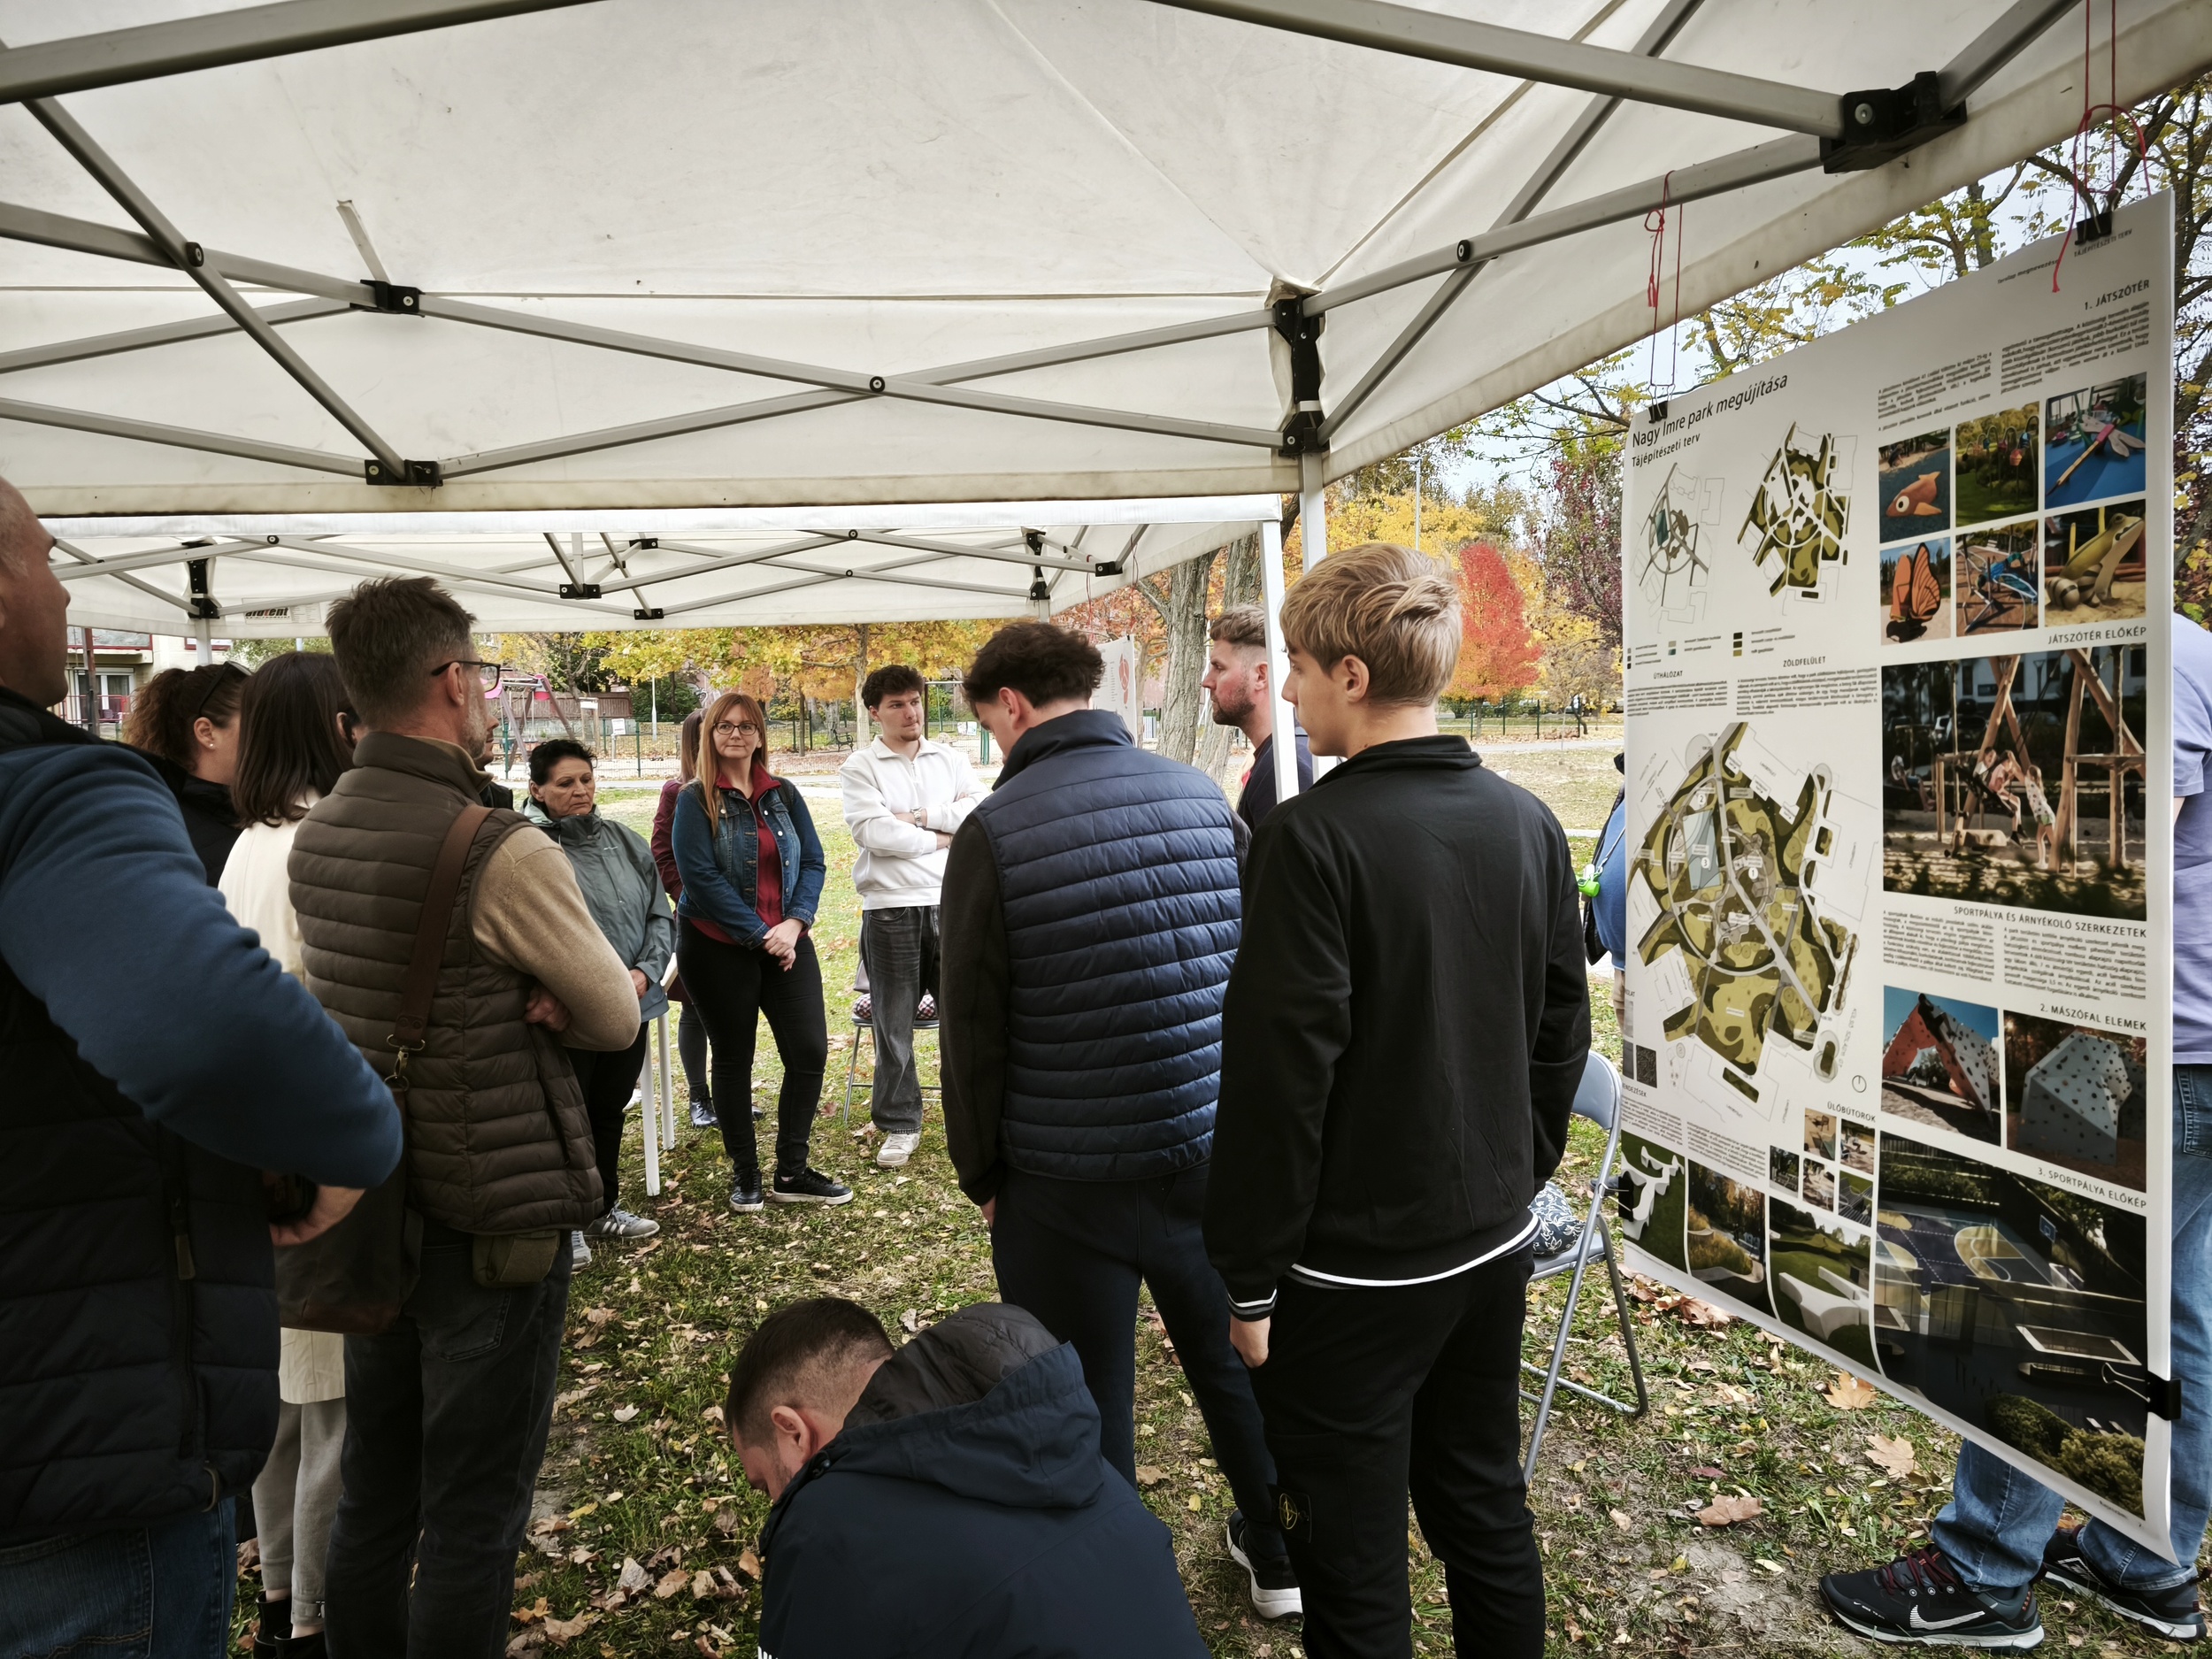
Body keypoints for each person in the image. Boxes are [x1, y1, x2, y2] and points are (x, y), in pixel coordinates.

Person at [0, 477, 399, 1655]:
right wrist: (351, 1139)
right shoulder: (49, 786)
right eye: (45, 557)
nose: (66, 589)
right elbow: (208, 1028)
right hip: (72, 1467)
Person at [1204, 542, 1591, 1659]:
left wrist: (1248, 1278)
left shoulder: (1309, 840)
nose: (1286, 691)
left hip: (1355, 1275)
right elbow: (1560, 1032)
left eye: (1298, 668)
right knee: (1482, 1504)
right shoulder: (1524, 820)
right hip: (1487, 1242)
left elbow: (1278, 1084)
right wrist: (1513, 1171)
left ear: (1354, 676)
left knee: (1351, 1552)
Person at [1818, 617, 2212, 1649]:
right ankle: (2149, 1563)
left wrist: (2003, 822)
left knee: (2043, 1283)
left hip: (2154, 1049)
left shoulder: (2153, 653)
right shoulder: (2191, 649)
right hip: (2194, 1044)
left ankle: (1983, 1570)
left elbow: (2115, 872)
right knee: (2176, 1305)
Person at [290, 576, 640, 1659]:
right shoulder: (498, 845)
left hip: (374, 1205)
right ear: (450, 682)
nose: (486, 696)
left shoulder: (317, 832)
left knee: (378, 1488)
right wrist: (550, 998)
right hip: (492, 1217)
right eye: (481, 675)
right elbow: (614, 1012)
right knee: (474, 1515)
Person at [939, 619, 1299, 1618]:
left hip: (1065, 1179)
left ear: (1011, 705)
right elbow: (1260, 964)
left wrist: (982, 1173)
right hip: (1205, 1146)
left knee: (1085, 1393)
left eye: (989, 723)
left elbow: (970, 1029)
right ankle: (1282, 1555)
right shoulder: (1199, 794)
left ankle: (1119, 1598)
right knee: (1237, 1359)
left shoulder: (993, 832)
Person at [728, 1297, 1210, 1658]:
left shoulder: (821, 1528)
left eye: (766, 1484)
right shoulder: (1046, 1434)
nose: (774, 1502)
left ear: (793, 1431)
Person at [219, 650, 364, 1659]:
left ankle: (281, 1595)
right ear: (332, 727)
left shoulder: (249, 842)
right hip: (317, 1160)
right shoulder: (316, 842)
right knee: (331, 1413)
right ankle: (309, 1615)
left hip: (257, 1152)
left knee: (288, 1402)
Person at [672, 690, 847, 1212]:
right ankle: (745, 1173)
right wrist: (761, 934)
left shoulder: (783, 794)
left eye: (746, 726)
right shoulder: (694, 798)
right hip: (716, 945)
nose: (736, 734)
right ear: (710, 734)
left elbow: (813, 861)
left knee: (809, 1051)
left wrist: (794, 924)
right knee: (733, 1057)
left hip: (787, 940)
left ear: (759, 735)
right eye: (725, 725)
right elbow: (698, 878)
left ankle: (792, 1171)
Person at [524, 736, 675, 1265]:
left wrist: (646, 972)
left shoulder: (625, 841)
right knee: (569, 1116)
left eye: (586, 779)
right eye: (565, 783)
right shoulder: (529, 849)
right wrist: (584, 987)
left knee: (609, 1108)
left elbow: (659, 914)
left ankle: (601, 1208)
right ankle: (567, 1223)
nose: (580, 791)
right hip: (569, 1012)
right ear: (537, 790)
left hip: (634, 1003)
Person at [839, 664, 982, 1167]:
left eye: (915, 701)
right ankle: (900, 1123)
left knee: (965, 1018)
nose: (910, 712)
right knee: (893, 1025)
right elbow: (874, 833)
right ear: (875, 712)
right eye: (896, 704)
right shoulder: (861, 766)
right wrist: (943, 837)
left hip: (953, 902)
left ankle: (973, 1115)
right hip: (891, 908)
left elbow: (977, 812)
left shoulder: (951, 758)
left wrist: (919, 818)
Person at [125, 657, 250, 881]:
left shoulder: (250, 809)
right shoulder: (166, 834)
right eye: (256, 724)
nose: (269, 735)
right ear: (206, 733)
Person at [651, 709, 717, 1127]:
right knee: (695, 1011)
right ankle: (699, 1098)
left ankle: (730, 1093)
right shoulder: (677, 792)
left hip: (746, 923)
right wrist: (690, 898)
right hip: (697, 920)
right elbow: (662, 853)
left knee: (735, 1013)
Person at [1201, 603, 1312, 831]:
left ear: (1261, 676)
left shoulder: (1286, 766)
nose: (1207, 682)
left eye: (1219, 667)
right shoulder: (1279, 755)